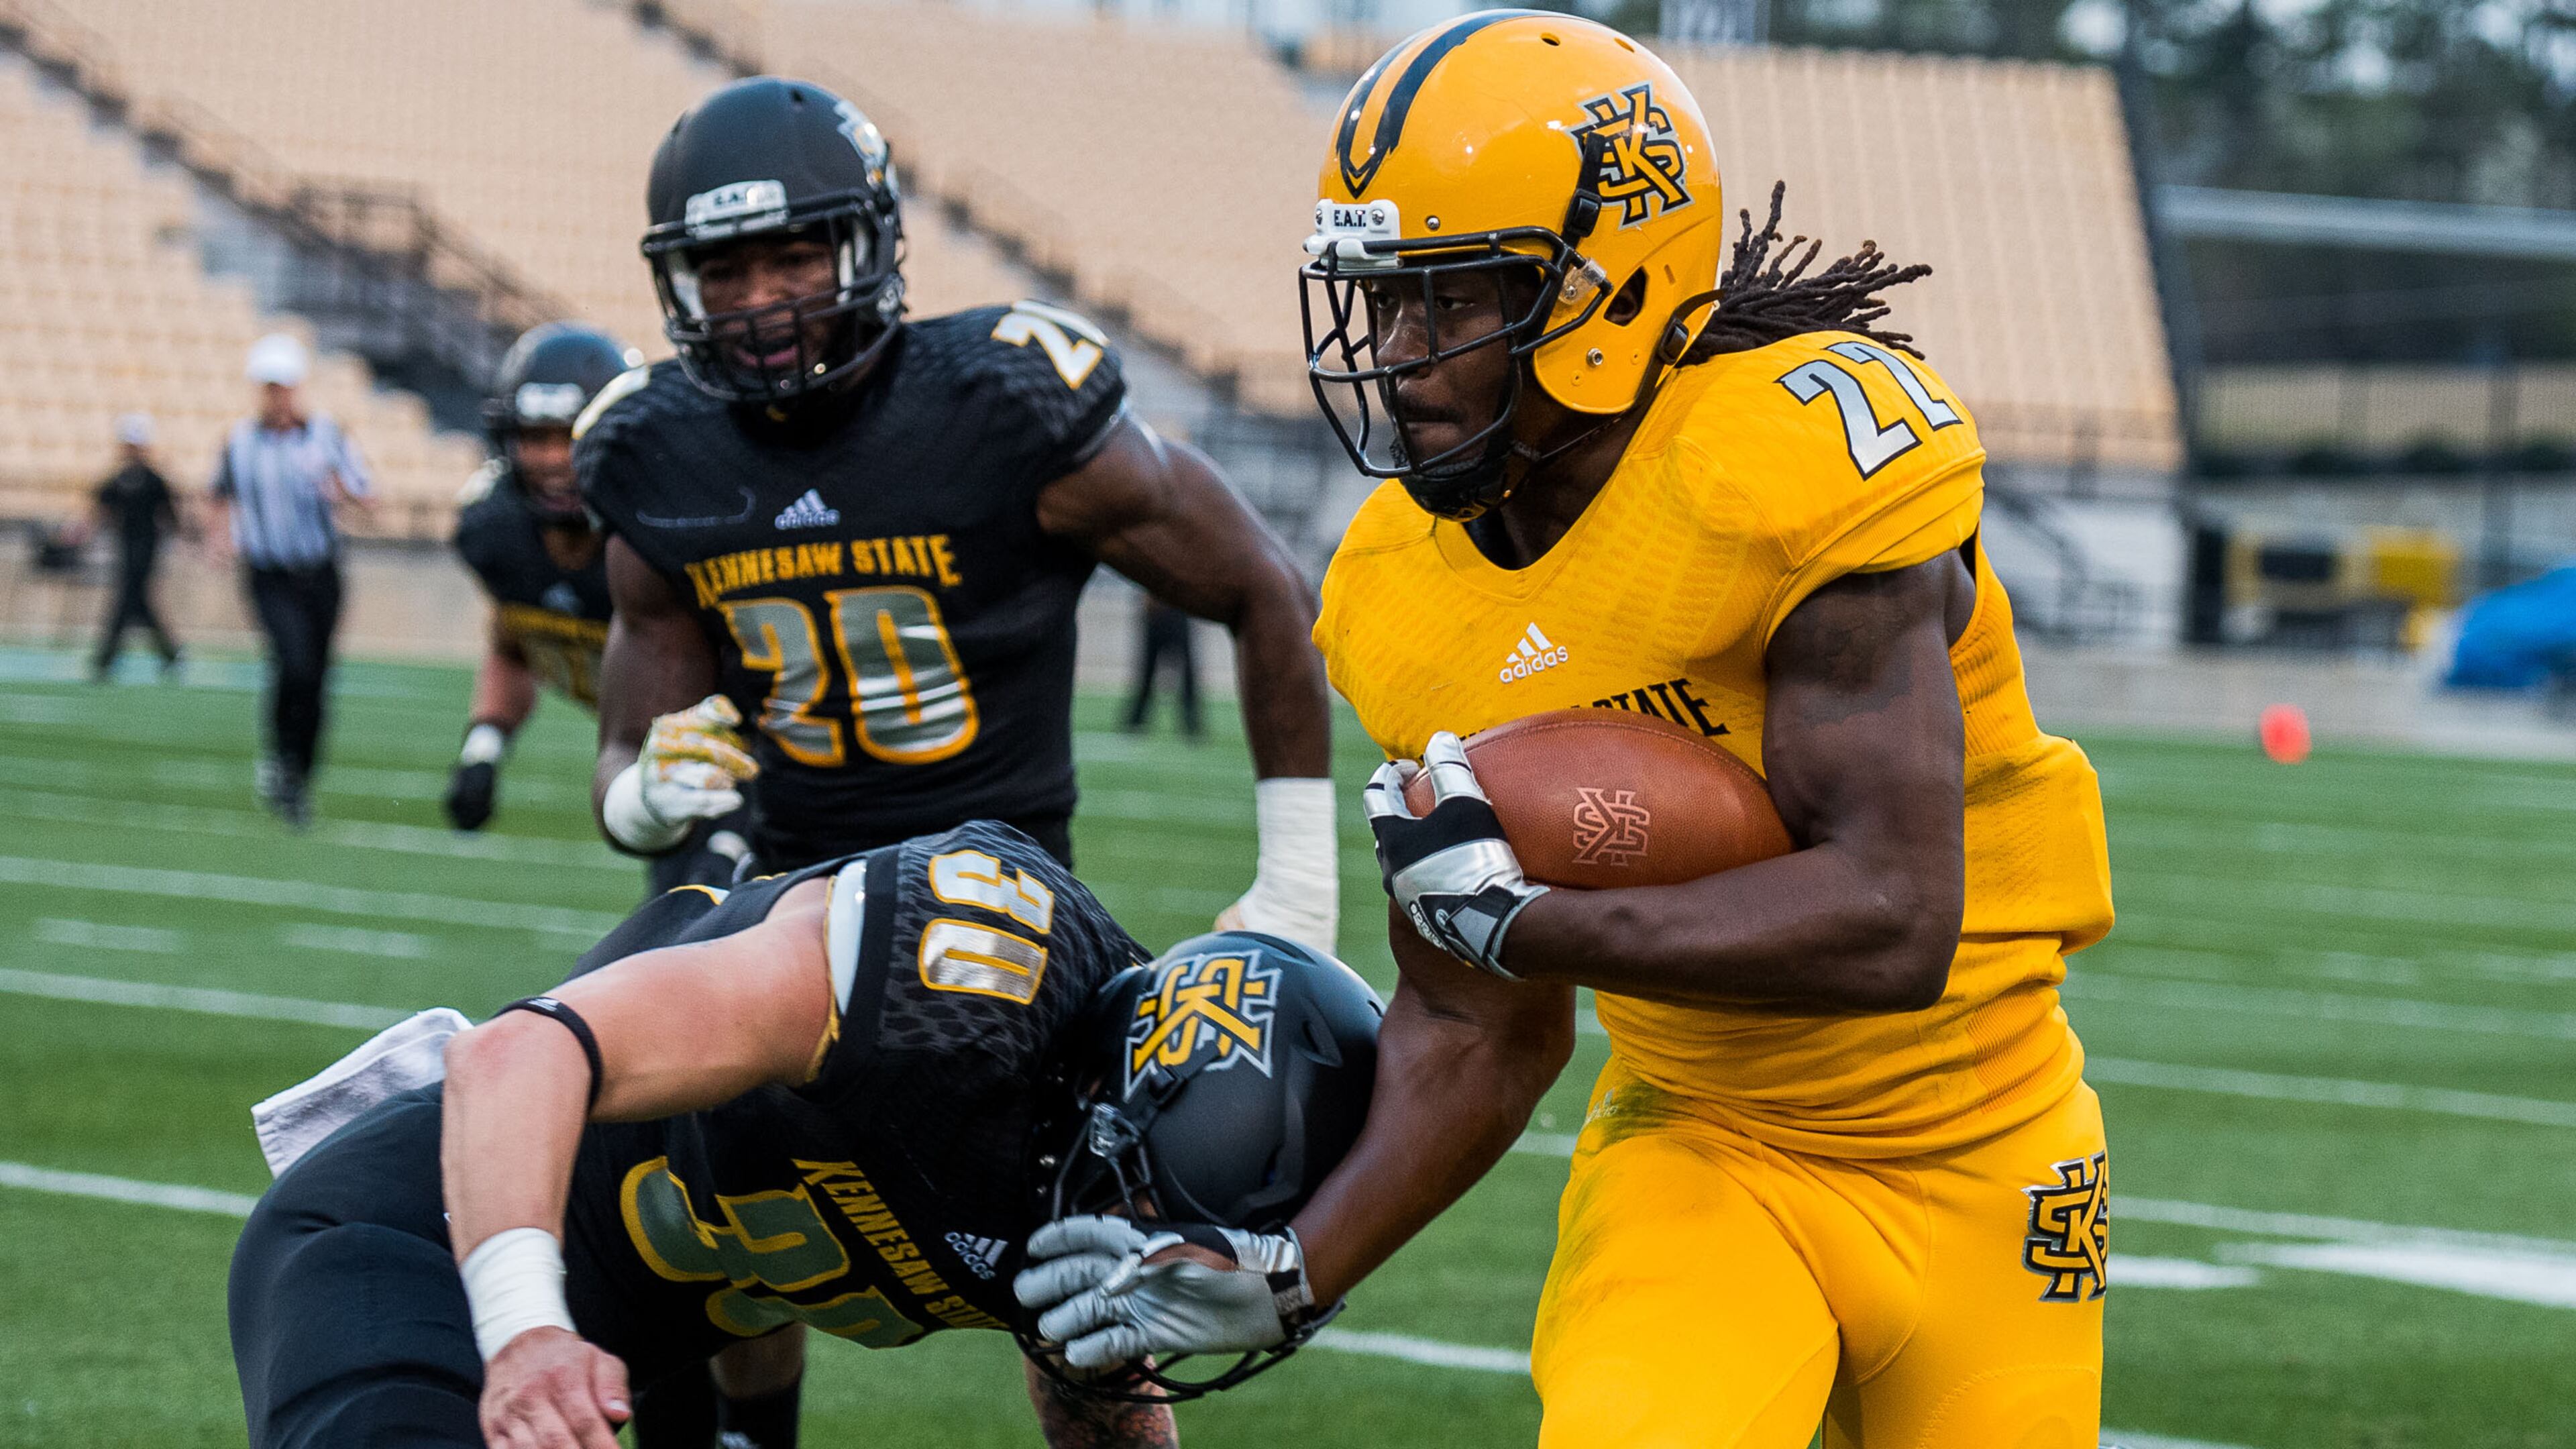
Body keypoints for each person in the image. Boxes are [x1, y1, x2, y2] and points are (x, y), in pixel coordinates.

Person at [1022, 15, 2117, 1448]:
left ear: (1608, 288)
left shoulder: (1786, 462)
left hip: (1989, 1142)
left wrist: (1539, 926)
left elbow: (1895, 918)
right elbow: (1474, 1014)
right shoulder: (1397, 590)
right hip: (1706, 1142)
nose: (1397, 358)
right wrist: (1293, 1269)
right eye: (1379, 303)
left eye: (1448, 302)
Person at [226, 819, 1381, 1449]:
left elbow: (1088, 1389)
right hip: (420, 1249)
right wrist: (528, 1332)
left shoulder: (1100, 1181)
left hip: (615, 1358)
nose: (1151, 1258)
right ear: (1109, 1101)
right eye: (1151, 1212)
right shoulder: (954, 991)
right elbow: (515, 1054)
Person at [578, 78, 1337, 954]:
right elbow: (625, 750)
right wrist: (642, 802)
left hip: (999, 903)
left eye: (794, 259)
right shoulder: (659, 451)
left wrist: (1300, 891)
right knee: (563, 1022)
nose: (759, 302)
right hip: (787, 900)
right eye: (723, 272)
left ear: (866, 247)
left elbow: (1266, 586)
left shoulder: (999, 402)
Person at [445, 322, 749, 893]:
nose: (554, 459)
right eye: (536, 437)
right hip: (661, 762)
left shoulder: (663, 532)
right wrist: (483, 750)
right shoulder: (496, 534)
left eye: (572, 436)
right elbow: (514, 642)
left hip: (750, 757)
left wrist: (736, 830)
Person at [207, 333, 374, 828]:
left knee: (316, 676)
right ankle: (283, 760)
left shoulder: (327, 437)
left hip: (320, 572)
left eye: (283, 386)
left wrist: (339, 491)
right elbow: (219, 494)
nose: (276, 396)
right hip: (269, 573)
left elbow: (367, 498)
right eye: (269, 387)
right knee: (293, 664)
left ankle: (300, 770)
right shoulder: (239, 442)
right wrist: (219, 537)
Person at [72, 412, 185, 681]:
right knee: (137, 601)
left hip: (147, 548)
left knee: (127, 600)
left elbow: (170, 515)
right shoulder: (119, 480)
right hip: (125, 546)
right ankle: (170, 654)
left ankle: (106, 658)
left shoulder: (153, 479)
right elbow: (100, 509)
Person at [1123, 596, 1203, 738]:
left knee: (1187, 673)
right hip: (1157, 614)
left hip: (1178, 612)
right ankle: (1137, 719)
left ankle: (1191, 722)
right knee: (1147, 672)